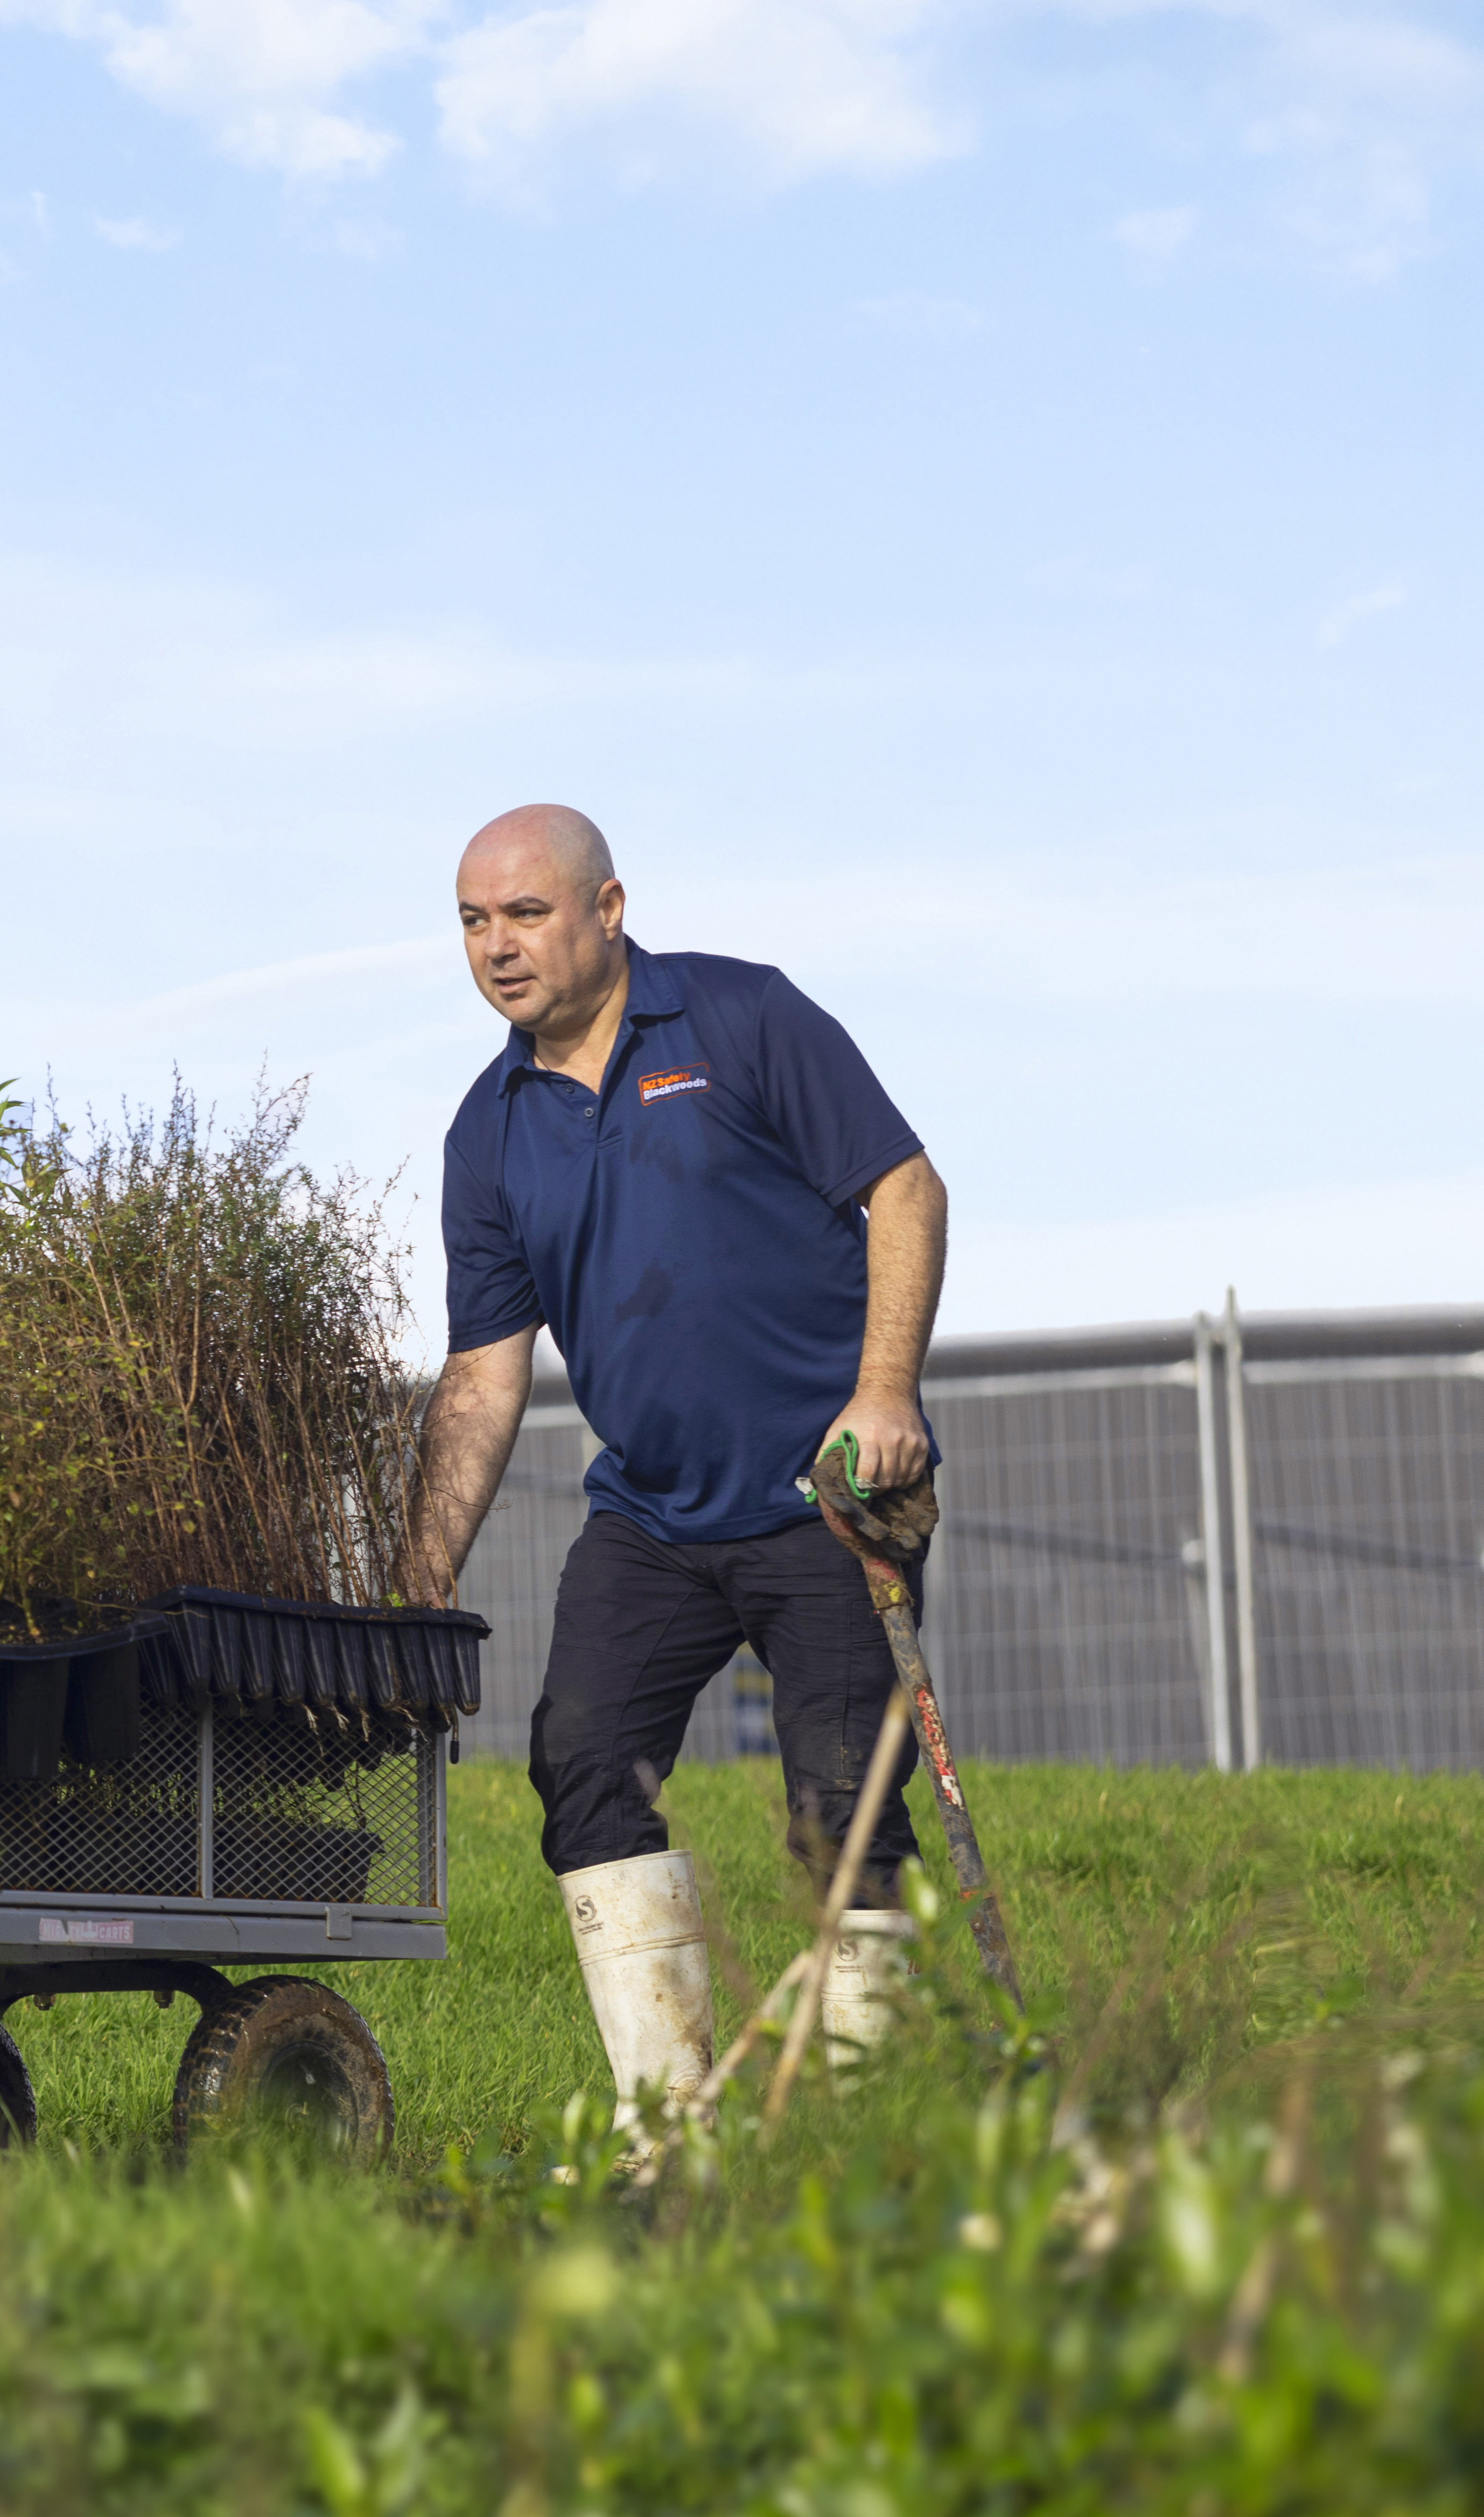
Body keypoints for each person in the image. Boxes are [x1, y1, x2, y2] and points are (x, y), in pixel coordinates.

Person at [398, 804, 946, 2123]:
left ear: (608, 907)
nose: (497, 946)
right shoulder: (491, 1132)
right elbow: (484, 1372)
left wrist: (886, 1394)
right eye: (473, 921)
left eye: (525, 913)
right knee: (581, 1766)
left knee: (842, 1805)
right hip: (647, 1517)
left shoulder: (743, 1021)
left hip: (825, 1495)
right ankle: (675, 2128)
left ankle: (860, 2140)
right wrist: (415, 1584)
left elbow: (907, 1190)